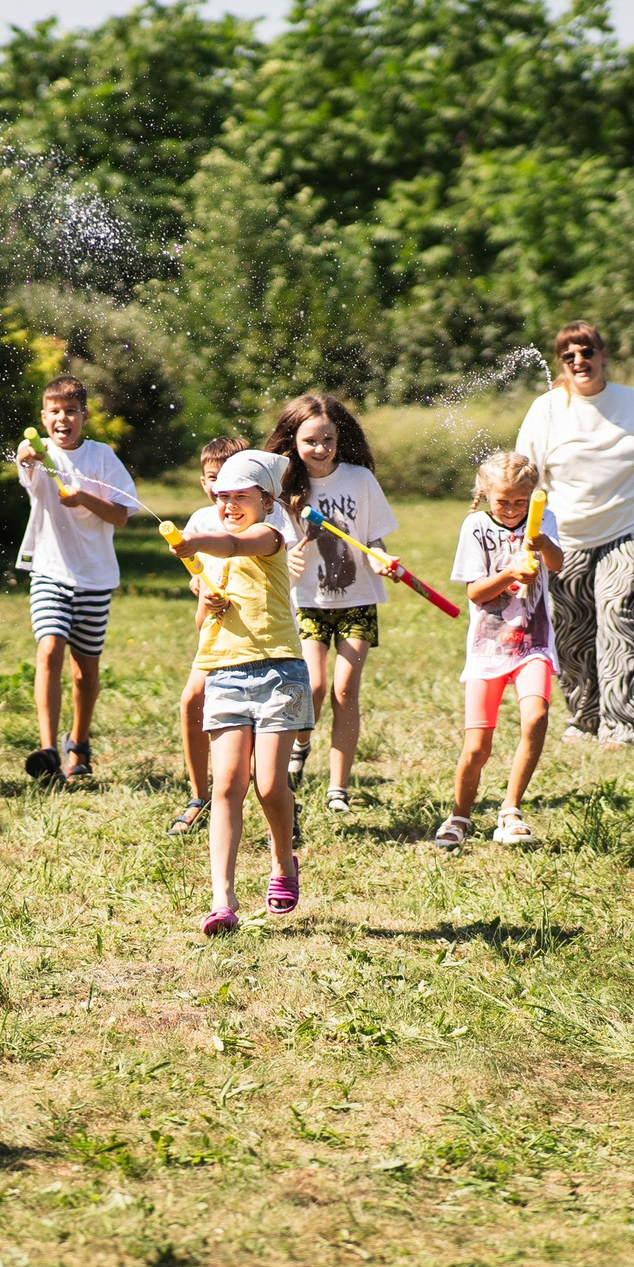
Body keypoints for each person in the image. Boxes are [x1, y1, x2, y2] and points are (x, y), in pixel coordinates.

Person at [168, 449, 310, 935]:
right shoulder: (214, 551)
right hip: (225, 673)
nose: (228, 504)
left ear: (267, 502)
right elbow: (204, 612)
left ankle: (283, 860)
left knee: (269, 785)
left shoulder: (270, 535)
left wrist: (195, 541)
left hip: (279, 673)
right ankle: (222, 900)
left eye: (240, 497)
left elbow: (233, 545)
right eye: (221, 496)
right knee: (227, 784)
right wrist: (205, 597)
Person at [511, 322, 634, 747]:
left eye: (587, 352)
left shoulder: (633, 402)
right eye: (569, 356)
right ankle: (586, 718)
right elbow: (524, 477)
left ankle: (632, 725)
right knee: (573, 628)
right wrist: (521, 538)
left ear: (603, 355)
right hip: (565, 539)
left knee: (619, 614)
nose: (579, 361)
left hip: (633, 526)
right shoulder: (546, 410)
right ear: (560, 363)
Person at [265, 393, 396, 813]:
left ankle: (338, 788)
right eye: (310, 441)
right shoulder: (283, 489)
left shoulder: (360, 479)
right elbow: (276, 544)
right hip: (308, 601)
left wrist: (382, 558)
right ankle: (301, 744)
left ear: (340, 439)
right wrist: (289, 557)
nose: (321, 449)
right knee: (314, 687)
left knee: (345, 689)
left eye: (328, 440)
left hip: (358, 599)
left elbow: (373, 539)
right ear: (292, 441)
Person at [14, 376, 135, 786]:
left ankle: (79, 743)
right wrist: (27, 458)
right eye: (54, 411)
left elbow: (121, 515)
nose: (62, 418)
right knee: (49, 649)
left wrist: (83, 497)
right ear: (43, 417)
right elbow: (28, 469)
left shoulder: (101, 457)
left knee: (85, 672)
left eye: (70, 411)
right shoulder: (37, 453)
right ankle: (49, 749)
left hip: (95, 578)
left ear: (84, 416)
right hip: (50, 571)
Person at [440, 453, 563, 850]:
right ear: (486, 495)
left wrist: (543, 545)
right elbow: (476, 593)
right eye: (503, 502)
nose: (511, 510)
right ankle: (459, 815)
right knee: (477, 745)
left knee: (537, 716)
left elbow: (557, 564)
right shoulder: (475, 526)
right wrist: (510, 572)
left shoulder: (543, 519)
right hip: (487, 647)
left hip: (533, 642)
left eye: (520, 502)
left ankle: (511, 810)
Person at [167, 437, 247, 837]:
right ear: (204, 482)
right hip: (216, 632)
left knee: (259, 722)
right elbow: (198, 576)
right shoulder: (200, 520)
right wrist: (200, 587)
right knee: (192, 700)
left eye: (233, 480)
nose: (223, 489)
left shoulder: (259, 520)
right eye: (215, 479)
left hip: (256, 636)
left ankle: (279, 798)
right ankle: (200, 796)